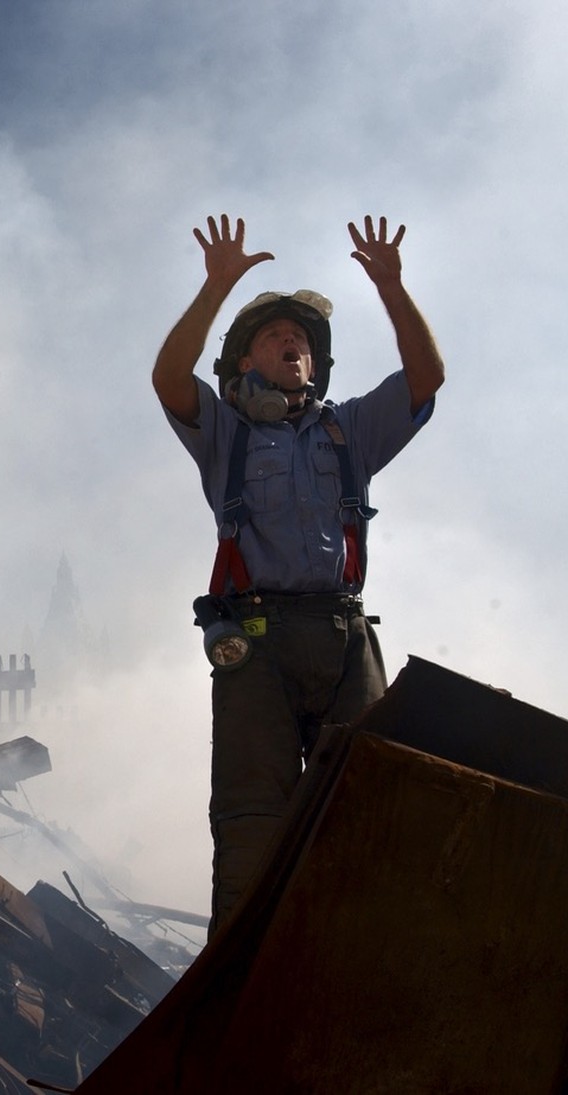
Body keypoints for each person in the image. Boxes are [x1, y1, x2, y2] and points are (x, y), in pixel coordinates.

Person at [153, 214, 444, 936]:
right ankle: (238, 993)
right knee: (253, 826)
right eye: (278, 336)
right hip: (258, 642)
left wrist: (393, 288)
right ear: (244, 362)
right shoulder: (226, 433)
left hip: (344, 638)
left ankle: (366, 971)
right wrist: (216, 287)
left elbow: (425, 377)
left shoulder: (348, 430)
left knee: (372, 807)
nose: (296, 344)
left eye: (305, 342)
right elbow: (167, 379)